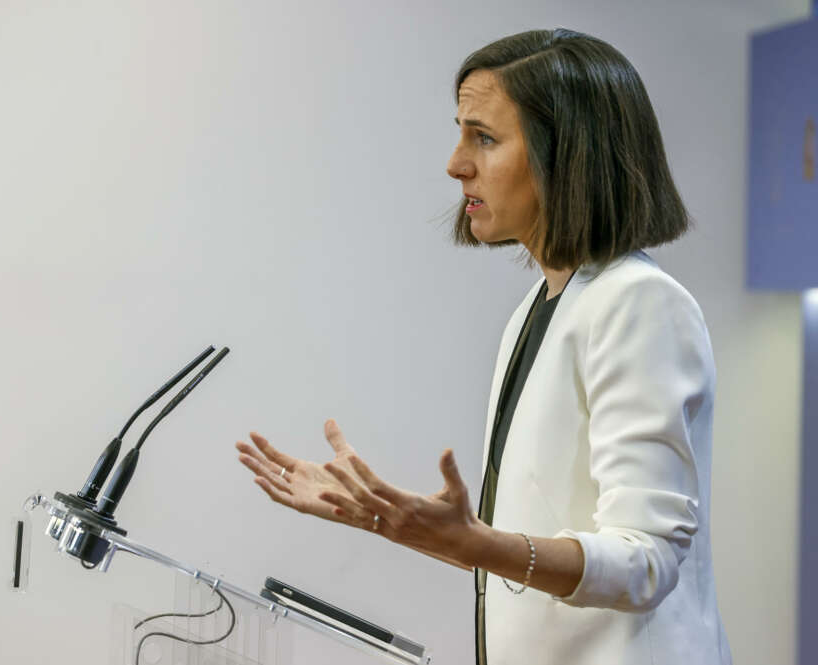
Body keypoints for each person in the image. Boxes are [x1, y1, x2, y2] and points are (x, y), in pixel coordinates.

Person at [235, 28, 731, 665]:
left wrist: (471, 542)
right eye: (461, 132)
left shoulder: (640, 304)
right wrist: (383, 516)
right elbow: (513, 553)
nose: (455, 163)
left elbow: (646, 561)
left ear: (567, 154)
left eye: (484, 137)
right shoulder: (537, 310)